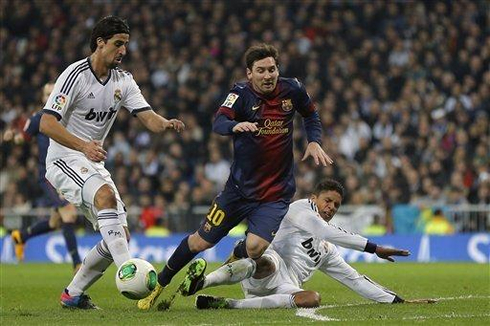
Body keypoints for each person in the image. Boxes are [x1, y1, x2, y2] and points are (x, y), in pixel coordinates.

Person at [138, 43, 333, 310]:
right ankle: (159, 285)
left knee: (254, 249)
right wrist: (234, 125)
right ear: (249, 73)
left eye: (272, 69)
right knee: (199, 241)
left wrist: (314, 141)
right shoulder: (239, 94)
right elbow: (218, 122)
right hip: (238, 192)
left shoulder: (293, 89)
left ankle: (230, 262)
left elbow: (311, 114)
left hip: (274, 195)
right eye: (261, 70)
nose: (268, 75)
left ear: (278, 69)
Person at [39, 16, 185, 309]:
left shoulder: (123, 80)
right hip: (64, 158)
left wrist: (165, 123)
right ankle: (129, 271)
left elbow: (148, 117)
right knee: (105, 198)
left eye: (126, 45)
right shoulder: (75, 75)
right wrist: (83, 146)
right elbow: (46, 123)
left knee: (119, 234)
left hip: (93, 162)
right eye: (118, 44)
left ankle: (73, 294)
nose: (123, 51)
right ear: (100, 43)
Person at [179, 179, 435, 309]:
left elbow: (354, 279)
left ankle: (226, 304)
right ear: (314, 198)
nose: (330, 207)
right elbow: (325, 229)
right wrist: (375, 248)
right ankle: (203, 282)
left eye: (336, 205)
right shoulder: (299, 210)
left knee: (312, 299)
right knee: (265, 258)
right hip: (262, 269)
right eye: (327, 201)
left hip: (283, 286)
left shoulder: (326, 250)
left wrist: (397, 301)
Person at [5, 83, 82, 272]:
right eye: (47, 93)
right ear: (42, 97)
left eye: (53, 93)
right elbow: (22, 138)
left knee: (55, 222)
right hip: (48, 174)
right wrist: (11, 136)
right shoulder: (38, 118)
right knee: (68, 212)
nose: (50, 97)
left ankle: (21, 237)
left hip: (67, 172)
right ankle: (77, 263)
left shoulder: (69, 118)